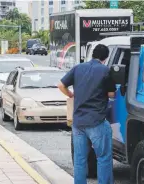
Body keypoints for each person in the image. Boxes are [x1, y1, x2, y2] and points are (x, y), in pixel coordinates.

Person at [58, 44, 116, 184]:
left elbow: (60, 85)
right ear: (106, 57)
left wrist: (72, 95)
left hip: (78, 123)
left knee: (80, 159)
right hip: (97, 121)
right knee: (103, 158)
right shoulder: (105, 70)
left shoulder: (78, 68)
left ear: (93, 54)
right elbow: (111, 94)